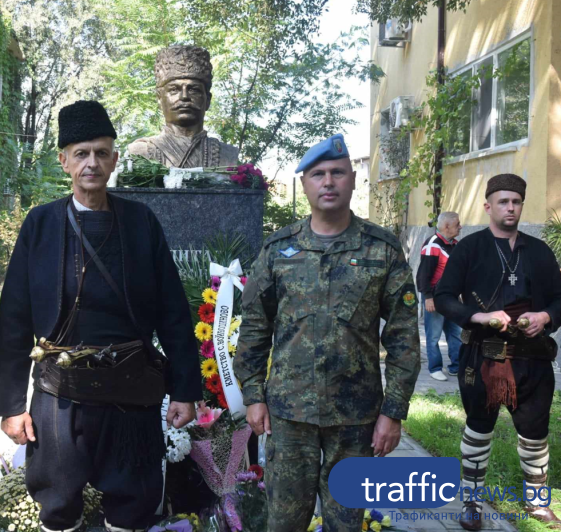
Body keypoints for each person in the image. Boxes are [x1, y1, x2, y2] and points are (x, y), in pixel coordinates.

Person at [0, 100, 202, 532]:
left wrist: (184, 389)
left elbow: (173, 312)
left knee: (133, 506)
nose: (92, 163)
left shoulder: (141, 222)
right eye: (82, 153)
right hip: (59, 395)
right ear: (64, 160)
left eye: (102, 152)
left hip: (131, 394)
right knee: (57, 506)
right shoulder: (40, 224)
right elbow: (13, 319)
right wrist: (11, 406)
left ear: (115, 160)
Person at [234, 133, 421, 532]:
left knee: (347, 523)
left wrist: (394, 411)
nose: (329, 181)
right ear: (305, 184)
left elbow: (404, 338)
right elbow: (254, 328)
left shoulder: (382, 250)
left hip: (356, 421)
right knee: (283, 522)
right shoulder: (278, 251)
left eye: (338, 172)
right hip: (288, 418)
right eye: (318, 174)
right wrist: (253, 396)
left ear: (353, 179)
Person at [434, 174, 561, 530]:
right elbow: (443, 297)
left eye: (516, 202)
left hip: (532, 358)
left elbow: (559, 298)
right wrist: (478, 316)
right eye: (503, 202)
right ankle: (471, 503)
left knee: (535, 433)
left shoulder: (539, 252)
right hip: (482, 357)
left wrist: (546, 316)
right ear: (488, 206)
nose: (510, 207)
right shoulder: (469, 248)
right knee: (478, 429)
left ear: (522, 205)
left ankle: (537, 504)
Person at [127, 45, 239, 168]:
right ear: (159, 99)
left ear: (208, 100)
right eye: (174, 89)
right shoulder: (140, 152)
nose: (184, 96)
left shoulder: (228, 154)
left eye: (194, 90)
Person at [416, 211, 463, 381]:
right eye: (457, 224)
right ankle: (435, 368)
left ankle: (457, 367)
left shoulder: (455, 244)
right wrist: (428, 297)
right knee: (434, 334)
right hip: (434, 297)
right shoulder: (432, 245)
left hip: (451, 298)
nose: (460, 226)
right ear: (447, 226)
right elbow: (422, 275)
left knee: (455, 332)